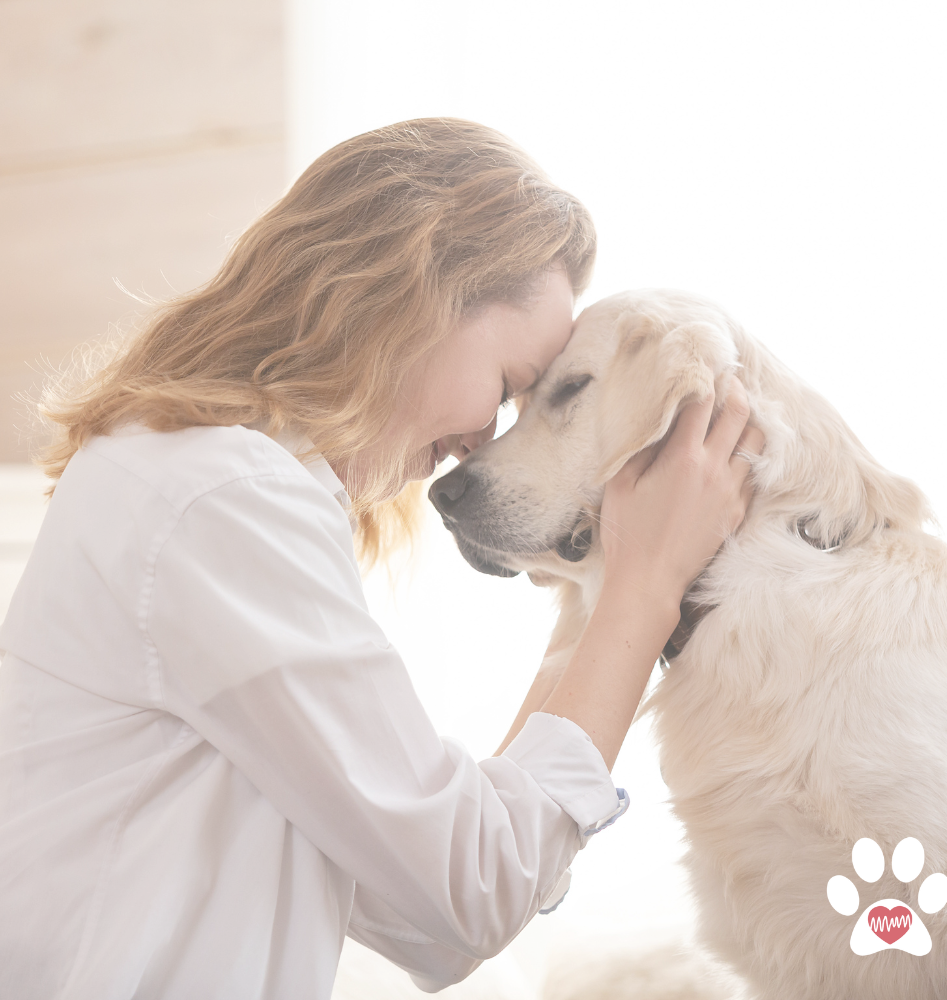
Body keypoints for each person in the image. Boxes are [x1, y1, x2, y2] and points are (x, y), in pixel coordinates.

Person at [0, 119, 761, 999]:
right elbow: (466, 895)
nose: (482, 440)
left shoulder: (197, 477)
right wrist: (646, 588)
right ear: (414, 295)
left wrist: (599, 599)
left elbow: (424, 922)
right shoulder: (222, 498)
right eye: (510, 387)